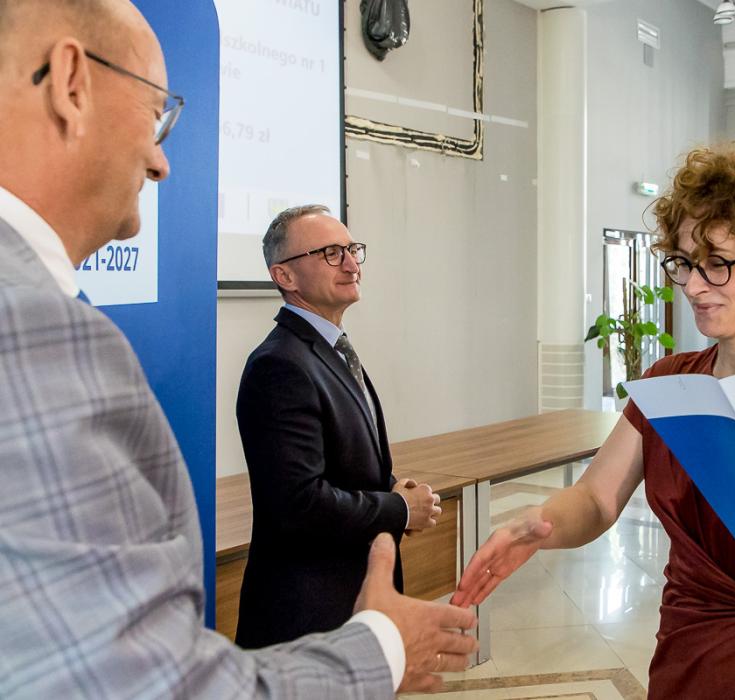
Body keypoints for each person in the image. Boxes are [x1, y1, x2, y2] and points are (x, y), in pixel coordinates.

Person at [0, 1, 474, 697]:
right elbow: (141, 679)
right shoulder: (38, 329)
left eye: (353, 249)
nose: (161, 162)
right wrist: (382, 649)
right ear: (72, 81)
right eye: (156, 114)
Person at [452, 145, 735, 699]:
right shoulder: (670, 382)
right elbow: (597, 499)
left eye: (717, 264)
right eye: (685, 263)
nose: (693, 286)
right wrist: (539, 523)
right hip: (687, 655)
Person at [235, 205, 442, 648]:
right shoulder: (279, 365)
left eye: (352, 250)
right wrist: (399, 509)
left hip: (349, 603)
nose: (351, 264)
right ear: (285, 276)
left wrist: (391, 485)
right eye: (331, 253)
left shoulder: (329, 349)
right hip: (308, 617)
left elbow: (339, 461)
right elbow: (298, 504)